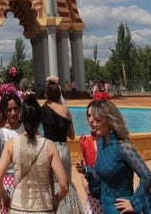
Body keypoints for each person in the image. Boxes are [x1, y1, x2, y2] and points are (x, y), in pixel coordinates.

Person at [77, 98, 151, 214]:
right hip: (105, 207)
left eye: (97, 119)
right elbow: (102, 175)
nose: (92, 122)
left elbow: (147, 177)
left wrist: (134, 203)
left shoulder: (123, 148)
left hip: (121, 210)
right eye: (91, 118)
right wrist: (86, 171)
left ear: (109, 121)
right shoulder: (101, 144)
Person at [0, 94, 70, 214]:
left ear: (21, 117)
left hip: (17, 207)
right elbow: (64, 186)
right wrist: (55, 200)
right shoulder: (49, 146)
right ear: (40, 121)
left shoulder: (11, 144)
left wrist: (5, 197)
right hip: (44, 207)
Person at [40, 77, 85, 214]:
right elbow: (71, 135)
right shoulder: (66, 111)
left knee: (50, 183)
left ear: (46, 94)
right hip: (63, 150)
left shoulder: (43, 109)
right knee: (66, 184)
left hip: (48, 149)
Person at [0, 89, 25, 214]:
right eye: (9, 110)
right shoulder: (1, 134)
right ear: (4, 112)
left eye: (16, 109)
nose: (13, 113)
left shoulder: (26, 129)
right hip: (8, 186)